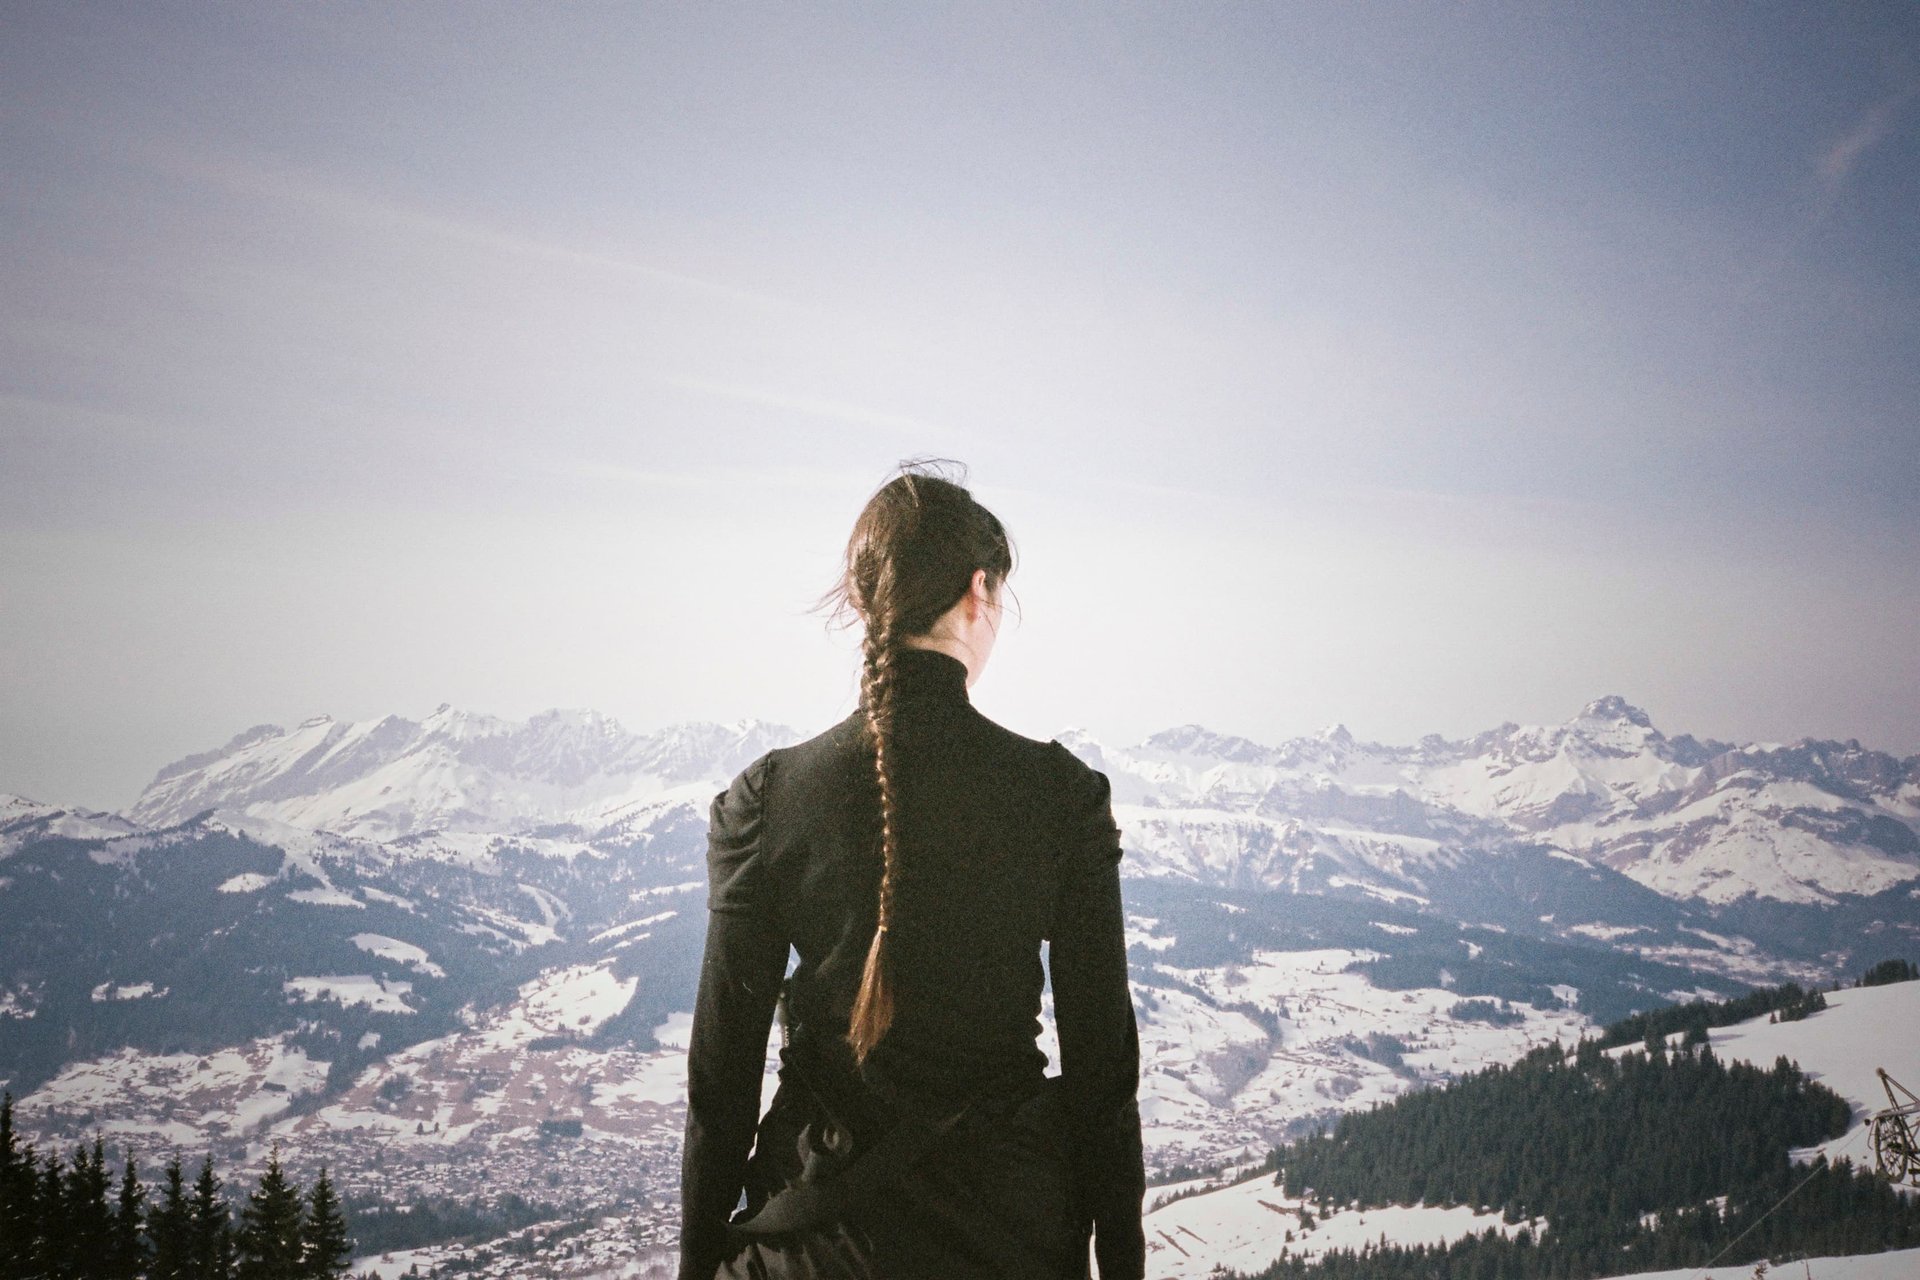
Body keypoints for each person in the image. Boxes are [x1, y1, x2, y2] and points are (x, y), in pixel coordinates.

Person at [678, 460, 1146, 1280]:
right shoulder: (1061, 797)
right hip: (1009, 1238)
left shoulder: (768, 800)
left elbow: (720, 1085)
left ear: (863, 601)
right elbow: (1103, 1079)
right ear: (979, 592)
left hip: (815, 1243)